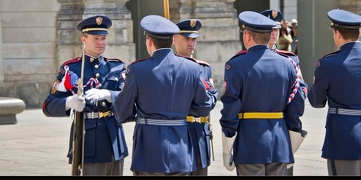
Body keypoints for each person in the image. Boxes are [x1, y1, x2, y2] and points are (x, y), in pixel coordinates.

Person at [114, 15, 213, 176]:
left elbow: (121, 113)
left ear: (150, 41)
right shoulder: (192, 69)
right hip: (181, 149)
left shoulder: (137, 70)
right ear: (173, 39)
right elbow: (203, 108)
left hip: (149, 151)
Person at [220, 11, 307, 176]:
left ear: (247, 36)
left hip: (249, 144)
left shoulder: (236, 65)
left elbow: (230, 110)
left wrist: (227, 148)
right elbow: (296, 104)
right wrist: (291, 136)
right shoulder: (289, 65)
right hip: (280, 143)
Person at [308, 8, 361, 176]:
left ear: (337, 33)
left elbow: (316, 102)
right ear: (359, 32)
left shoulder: (327, 64)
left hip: (342, 137)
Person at [43, 15, 129, 175]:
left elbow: (128, 101)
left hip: (114, 140)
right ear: (84, 40)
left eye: (103, 38)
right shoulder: (71, 69)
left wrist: (109, 94)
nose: (101, 43)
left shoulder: (117, 67)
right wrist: (68, 102)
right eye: (96, 38)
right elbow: (48, 106)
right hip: (88, 140)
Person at [260, 9, 307, 175]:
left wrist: (293, 127)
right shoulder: (245, 59)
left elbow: (299, 94)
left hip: (283, 126)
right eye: (269, 29)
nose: (274, 33)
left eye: (276, 29)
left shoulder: (290, 59)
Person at [173, 19, 218, 176]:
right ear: (174, 39)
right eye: (186, 39)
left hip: (200, 132)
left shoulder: (203, 68)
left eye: (194, 39)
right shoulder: (169, 68)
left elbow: (211, 100)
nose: (191, 43)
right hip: (179, 132)